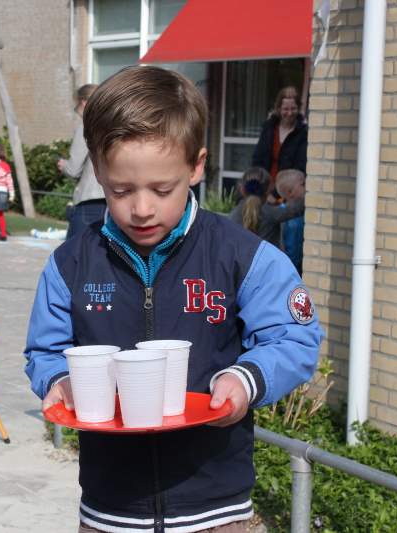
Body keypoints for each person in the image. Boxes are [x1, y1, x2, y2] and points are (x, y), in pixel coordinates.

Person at [23, 66, 322, 533]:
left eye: (162, 190)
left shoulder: (243, 256)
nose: (142, 208)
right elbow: (43, 351)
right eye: (120, 190)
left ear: (196, 166)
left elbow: (295, 337)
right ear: (98, 171)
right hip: (109, 510)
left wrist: (245, 381)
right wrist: (59, 382)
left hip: (216, 509)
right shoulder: (69, 265)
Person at [58, 84, 106, 239]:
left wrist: (63, 165)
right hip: (114, 199)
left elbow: (74, 169)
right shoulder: (112, 124)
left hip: (89, 200)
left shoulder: (86, 126)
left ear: (84, 102)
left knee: (73, 255)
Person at [229, 166, 305, 248]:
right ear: (269, 190)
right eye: (303, 184)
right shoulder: (270, 213)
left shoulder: (233, 215)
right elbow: (298, 208)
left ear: (243, 190)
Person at [251, 86, 308, 192]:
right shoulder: (268, 129)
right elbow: (257, 161)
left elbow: (301, 167)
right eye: (285, 109)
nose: (290, 113)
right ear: (278, 109)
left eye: (293, 108)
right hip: (264, 190)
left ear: (299, 108)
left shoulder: (303, 133)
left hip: (289, 193)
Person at [276, 169, 306, 276]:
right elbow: (291, 250)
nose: (307, 186)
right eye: (303, 184)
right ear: (290, 192)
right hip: (291, 270)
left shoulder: (302, 212)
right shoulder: (284, 216)